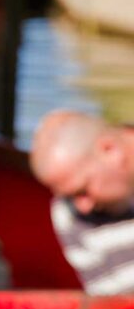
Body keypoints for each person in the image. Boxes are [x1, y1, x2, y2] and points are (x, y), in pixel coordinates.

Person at [31, 109, 134, 294]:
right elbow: (110, 300)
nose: (83, 207)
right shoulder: (66, 212)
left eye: (83, 191)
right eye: (70, 195)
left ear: (109, 149)